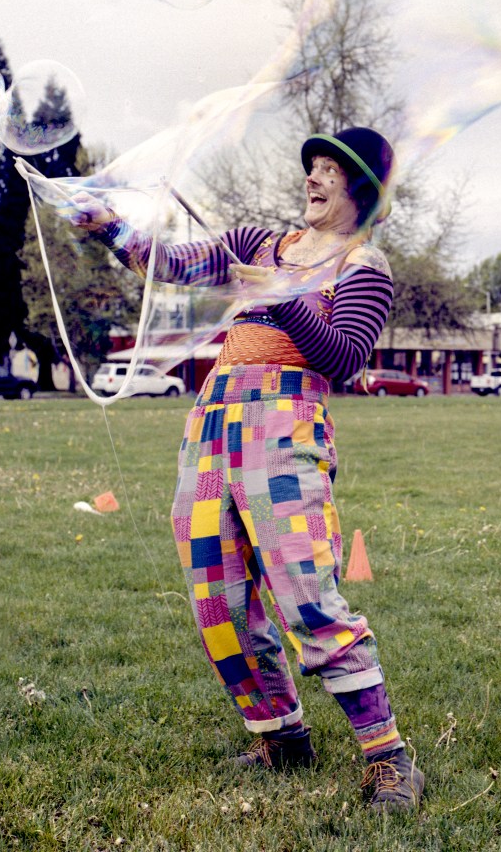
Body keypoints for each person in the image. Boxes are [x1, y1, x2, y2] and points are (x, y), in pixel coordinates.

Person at [65, 127, 424, 812]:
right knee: (218, 595)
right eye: (312, 166)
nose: (312, 177)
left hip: (285, 431)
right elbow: (168, 262)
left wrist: (284, 297)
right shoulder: (256, 244)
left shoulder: (363, 265)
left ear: (360, 188)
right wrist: (110, 227)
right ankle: (280, 737)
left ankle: (388, 757)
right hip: (212, 426)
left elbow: (344, 357)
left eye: (329, 169)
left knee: (306, 595)